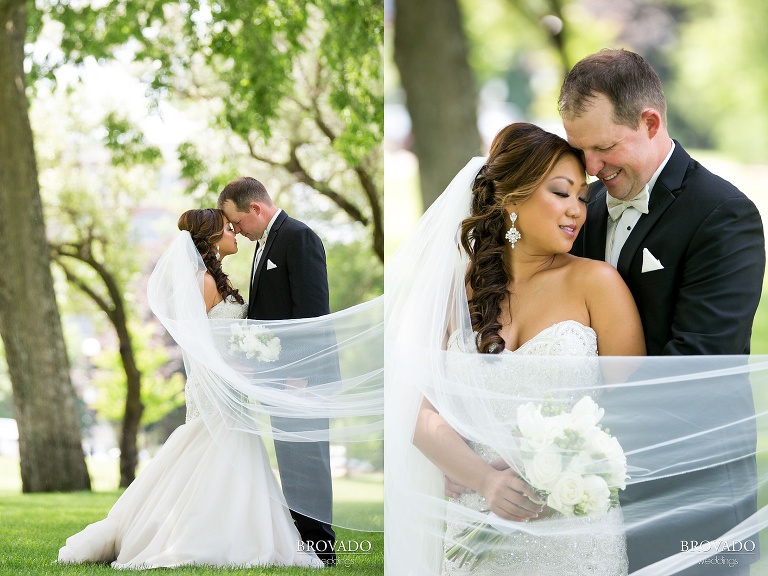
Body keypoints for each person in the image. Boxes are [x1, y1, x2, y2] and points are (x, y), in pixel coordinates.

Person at [385, 122, 646, 576]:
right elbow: (421, 413)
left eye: (583, 198)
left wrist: (555, 462)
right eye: (562, 193)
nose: (577, 211)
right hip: (475, 521)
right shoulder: (457, 291)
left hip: (573, 531)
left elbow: (635, 406)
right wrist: (484, 480)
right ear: (511, 199)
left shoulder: (596, 284)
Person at [559, 49, 765, 575]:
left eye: (604, 147)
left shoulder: (724, 215)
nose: (592, 169)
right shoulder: (587, 211)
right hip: (591, 501)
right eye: (581, 151)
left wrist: (572, 443)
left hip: (692, 493)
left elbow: (698, 363)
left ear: (650, 122)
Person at [58, 209, 323, 569]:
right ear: (213, 239)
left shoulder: (214, 278)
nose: (235, 233)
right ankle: (203, 537)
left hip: (229, 384)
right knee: (215, 450)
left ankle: (227, 531)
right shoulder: (203, 282)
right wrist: (234, 364)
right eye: (229, 229)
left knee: (214, 453)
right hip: (215, 385)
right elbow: (197, 343)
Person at [218, 177, 337, 565]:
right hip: (281, 378)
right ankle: (303, 545)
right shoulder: (262, 245)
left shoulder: (298, 237)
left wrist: (300, 375)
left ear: (256, 208)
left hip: (304, 378)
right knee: (290, 460)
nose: (236, 231)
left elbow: (312, 313)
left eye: (237, 222)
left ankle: (322, 549)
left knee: (308, 459)